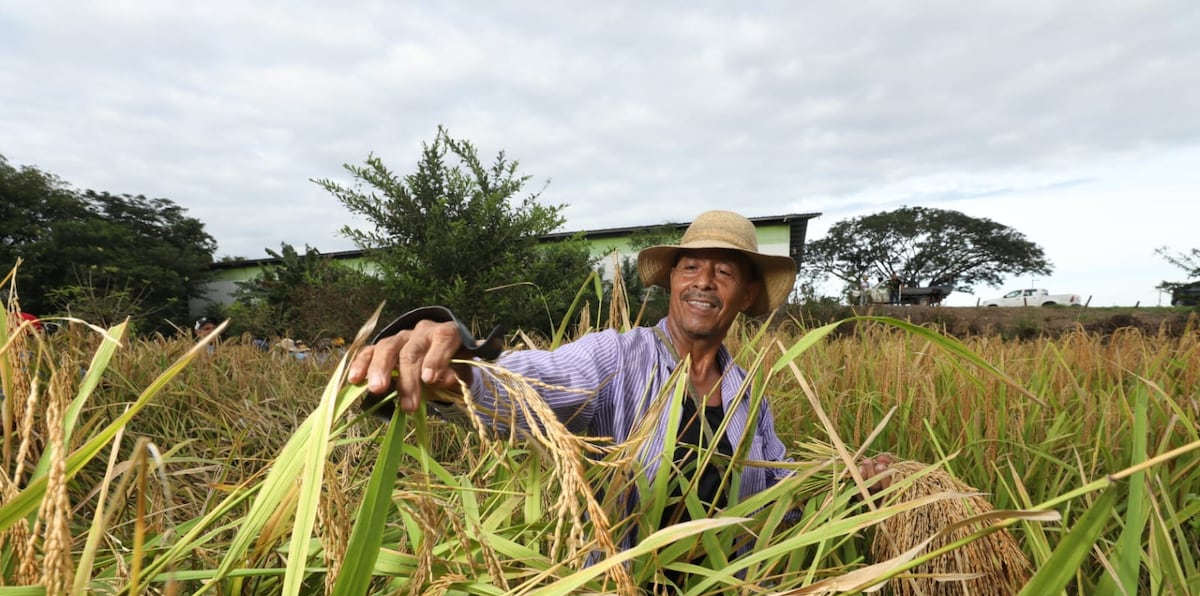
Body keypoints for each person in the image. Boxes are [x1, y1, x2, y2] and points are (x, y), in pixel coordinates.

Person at [349, 210, 894, 531]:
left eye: (724, 271)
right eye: (690, 267)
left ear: (747, 292)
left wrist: (846, 479)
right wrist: (463, 365)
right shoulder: (618, 358)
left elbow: (776, 489)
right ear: (671, 281)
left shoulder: (748, 396)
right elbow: (531, 382)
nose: (704, 281)